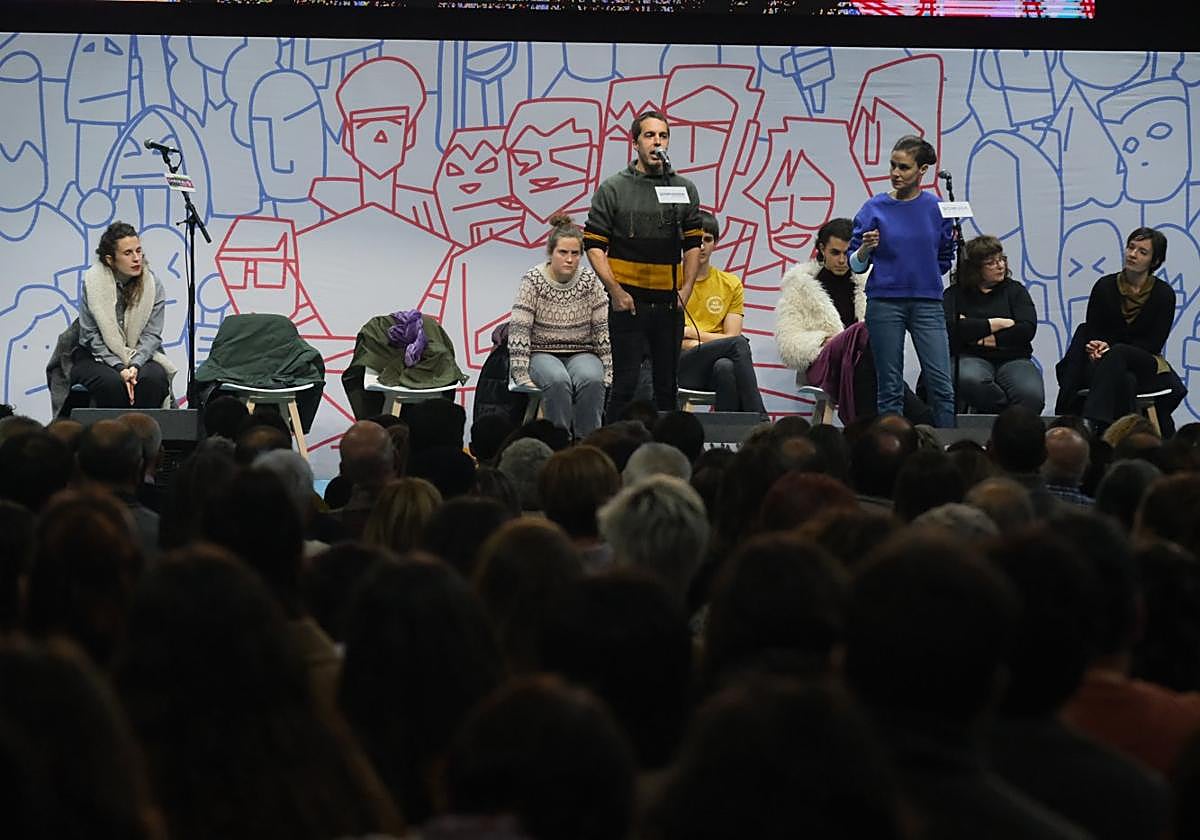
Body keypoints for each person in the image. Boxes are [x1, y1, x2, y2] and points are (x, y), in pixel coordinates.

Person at [584, 110, 703, 421]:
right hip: (629, 302)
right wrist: (615, 291)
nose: (657, 142)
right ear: (634, 142)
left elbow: (693, 244)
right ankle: (612, 442)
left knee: (667, 385)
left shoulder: (683, 188)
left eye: (663, 136)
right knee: (625, 383)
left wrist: (687, 289)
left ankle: (667, 445)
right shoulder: (614, 188)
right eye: (649, 135)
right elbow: (594, 245)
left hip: (669, 303)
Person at [849, 135, 956, 427]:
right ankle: (891, 445)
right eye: (893, 165)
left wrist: (925, 274)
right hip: (884, 302)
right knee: (889, 386)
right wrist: (865, 249)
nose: (895, 173)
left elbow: (946, 254)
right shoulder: (873, 208)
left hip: (927, 303)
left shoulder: (936, 208)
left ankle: (947, 446)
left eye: (904, 167)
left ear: (922, 170)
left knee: (941, 385)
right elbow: (855, 265)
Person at [1055, 226, 1186, 436]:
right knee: (1126, 381)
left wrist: (1111, 349)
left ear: (1154, 261)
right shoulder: (1104, 286)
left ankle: (1092, 423)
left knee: (1119, 353)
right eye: (1131, 247)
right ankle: (1120, 439)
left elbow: (1154, 343)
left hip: (1144, 360)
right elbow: (1093, 329)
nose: (1132, 254)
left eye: (1142, 252)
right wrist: (1097, 347)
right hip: (1104, 361)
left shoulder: (1164, 294)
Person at [508, 213, 612, 439]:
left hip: (582, 352)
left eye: (575, 253)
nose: (569, 259)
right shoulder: (533, 280)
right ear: (551, 252)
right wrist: (520, 371)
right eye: (563, 252)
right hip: (541, 353)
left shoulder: (589, 281)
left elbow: (602, 328)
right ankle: (560, 441)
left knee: (593, 379)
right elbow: (519, 329)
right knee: (557, 380)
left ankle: (588, 443)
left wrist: (607, 367)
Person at [776, 217, 871, 423]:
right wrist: (825, 341)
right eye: (835, 253)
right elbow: (788, 344)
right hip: (823, 363)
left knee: (868, 363)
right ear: (821, 249)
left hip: (859, 363)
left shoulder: (868, 284)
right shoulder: (801, 287)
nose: (842, 260)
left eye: (848, 253)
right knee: (860, 335)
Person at [70, 221, 174, 408]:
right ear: (110, 260)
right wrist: (119, 367)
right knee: (112, 384)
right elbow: (90, 336)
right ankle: (114, 428)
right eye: (128, 253)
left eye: (138, 251)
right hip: (95, 356)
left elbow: (152, 335)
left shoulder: (153, 285)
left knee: (152, 379)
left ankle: (143, 427)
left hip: (140, 354)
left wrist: (134, 366)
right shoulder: (93, 283)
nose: (136, 258)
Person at [677, 211, 767, 416]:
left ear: (715, 244)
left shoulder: (730, 284)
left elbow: (732, 336)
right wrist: (716, 342)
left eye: (707, 240)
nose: (701, 246)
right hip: (679, 366)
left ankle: (728, 431)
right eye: (695, 240)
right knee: (738, 345)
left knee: (726, 367)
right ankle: (760, 418)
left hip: (714, 366)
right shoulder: (669, 280)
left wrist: (690, 334)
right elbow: (669, 339)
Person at [944, 235, 1044, 413]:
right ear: (974, 269)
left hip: (1013, 358)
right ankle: (1006, 416)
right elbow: (951, 329)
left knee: (1031, 395)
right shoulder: (955, 294)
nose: (1000, 266)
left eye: (1002, 259)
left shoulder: (1015, 290)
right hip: (969, 357)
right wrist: (997, 323)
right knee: (969, 379)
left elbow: (1026, 329)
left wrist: (979, 334)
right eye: (991, 263)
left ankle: (1012, 420)